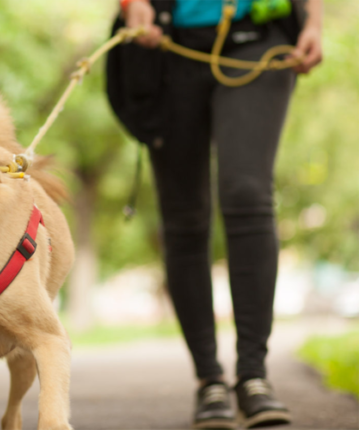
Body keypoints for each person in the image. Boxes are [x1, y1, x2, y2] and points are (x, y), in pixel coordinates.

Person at [117, 0, 323, 428]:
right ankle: (209, 380)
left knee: (247, 192)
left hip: (257, 35)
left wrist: (314, 19)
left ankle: (253, 375)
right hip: (167, 43)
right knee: (184, 216)